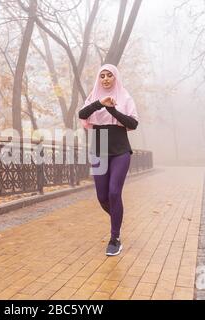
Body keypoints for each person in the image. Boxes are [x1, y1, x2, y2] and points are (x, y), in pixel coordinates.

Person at [78, 64, 139, 256]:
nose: (105, 79)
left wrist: (112, 109)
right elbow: (82, 114)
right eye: (102, 75)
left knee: (114, 193)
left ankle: (115, 238)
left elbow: (133, 123)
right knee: (102, 197)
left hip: (120, 148)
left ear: (116, 78)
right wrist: (100, 103)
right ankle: (117, 218)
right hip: (99, 147)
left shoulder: (125, 97)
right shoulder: (93, 96)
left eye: (109, 75)